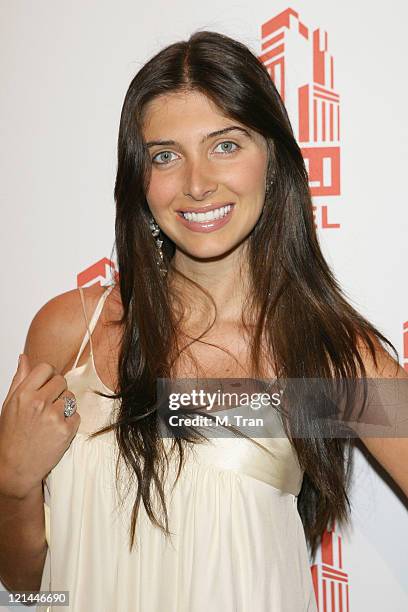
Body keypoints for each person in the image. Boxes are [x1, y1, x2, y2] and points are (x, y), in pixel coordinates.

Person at [1, 30, 407, 612]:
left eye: (225, 145)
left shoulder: (317, 358)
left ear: (273, 158)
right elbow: (30, 587)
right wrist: (11, 485)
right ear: (139, 179)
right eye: (165, 155)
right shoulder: (73, 334)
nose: (196, 183)